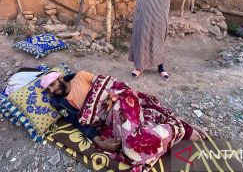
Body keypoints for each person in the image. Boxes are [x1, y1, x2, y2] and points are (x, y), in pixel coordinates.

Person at [41, 70, 208, 171]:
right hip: (108, 120)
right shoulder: (60, 103)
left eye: (52, 84)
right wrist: (98, 140)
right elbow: (79, 123)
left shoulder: (80, 76)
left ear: (61, 78)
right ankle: (170, 126)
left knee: (135, 143)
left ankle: (180, 129)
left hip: (120, 102)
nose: (52, 90)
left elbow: (110, 84)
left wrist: (111, 97)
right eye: (48, 89)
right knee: (132, 151)